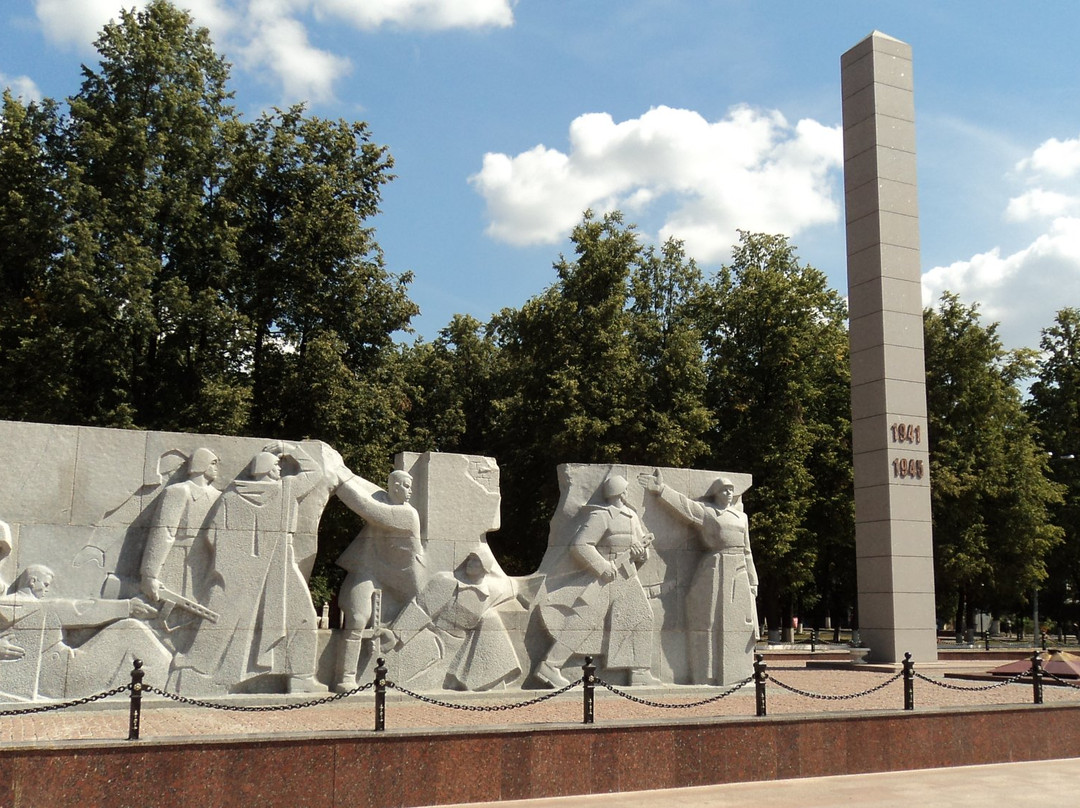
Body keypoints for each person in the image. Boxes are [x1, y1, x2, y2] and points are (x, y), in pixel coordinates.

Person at [172, 443, 324, 694]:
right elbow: (314, 473)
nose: (280, 469)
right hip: (281, 563)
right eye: (276, 465)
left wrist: (238, 562)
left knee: (238, 616)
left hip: (242, 569)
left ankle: (205, 670)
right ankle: (301, 678)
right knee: (302, 616)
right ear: (265, 469)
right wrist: (290, 449)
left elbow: (212, 536)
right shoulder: (286, 490)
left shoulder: (231, 497)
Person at [535, 475, 660, 687]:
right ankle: (550, 665)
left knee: (642, 617)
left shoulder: (631, 516)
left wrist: (640, 554)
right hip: (606, 576)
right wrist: (602, 567)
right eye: (626, 489)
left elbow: (642, 552)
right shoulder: (602, 515)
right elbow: (580, 545)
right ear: (621, 492)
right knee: (584, 621)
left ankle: (639, 672)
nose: (628, 493)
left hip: (627, 575)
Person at [640, 469, 758, 684]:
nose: (729, 493)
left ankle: (736, 673)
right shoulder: (708, 512)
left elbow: (747, 550)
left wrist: (753, 578)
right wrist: (662, 490)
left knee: (739, 620)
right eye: (724, 490)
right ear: (715, 493)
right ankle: (707, 674)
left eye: (731, 490)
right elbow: (685, 506)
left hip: (738, 570)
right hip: (714, 566)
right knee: (707, 619)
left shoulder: (742, 517)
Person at [0, 564, 167, 700]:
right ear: (32, 581)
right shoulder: (30, 605)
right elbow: (79, 610)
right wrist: (128, 606)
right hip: (62, 675)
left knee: (131, 631)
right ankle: (171, 680)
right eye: (45, 585)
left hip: (57, 672)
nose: (47, 590)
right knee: (131, 630)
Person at [332, 470, 424, 691]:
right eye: (407, 486)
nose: (411, 491)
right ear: (394, 487)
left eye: (411, 486)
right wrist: (341, 470)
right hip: (369, 571)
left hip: (400, 580)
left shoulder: (407, 515)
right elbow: (363, 486)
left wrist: (336, 478)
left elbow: (367, 507)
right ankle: (346, 677)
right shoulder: (382, 497)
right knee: (356, 617)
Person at [388, 550, 524, 691]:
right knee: (398, 679)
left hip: (457, 649)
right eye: (470, 559)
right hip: (432, 638)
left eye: (476, 561)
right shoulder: (447, 581)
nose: (470, 563)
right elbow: (421, 609)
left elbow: (515, 587)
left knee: (491, 620)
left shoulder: (493, 592)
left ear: (486, 568)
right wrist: (396, 635)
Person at [140, 447, 221, 646]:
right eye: (213, 462)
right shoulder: (177, 492)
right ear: (201, 465)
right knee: (169, 616)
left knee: (197, 618)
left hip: (205, 563)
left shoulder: (218, 496)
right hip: (176, 559)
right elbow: (164, 532)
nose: (217, 468)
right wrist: (149, 574)